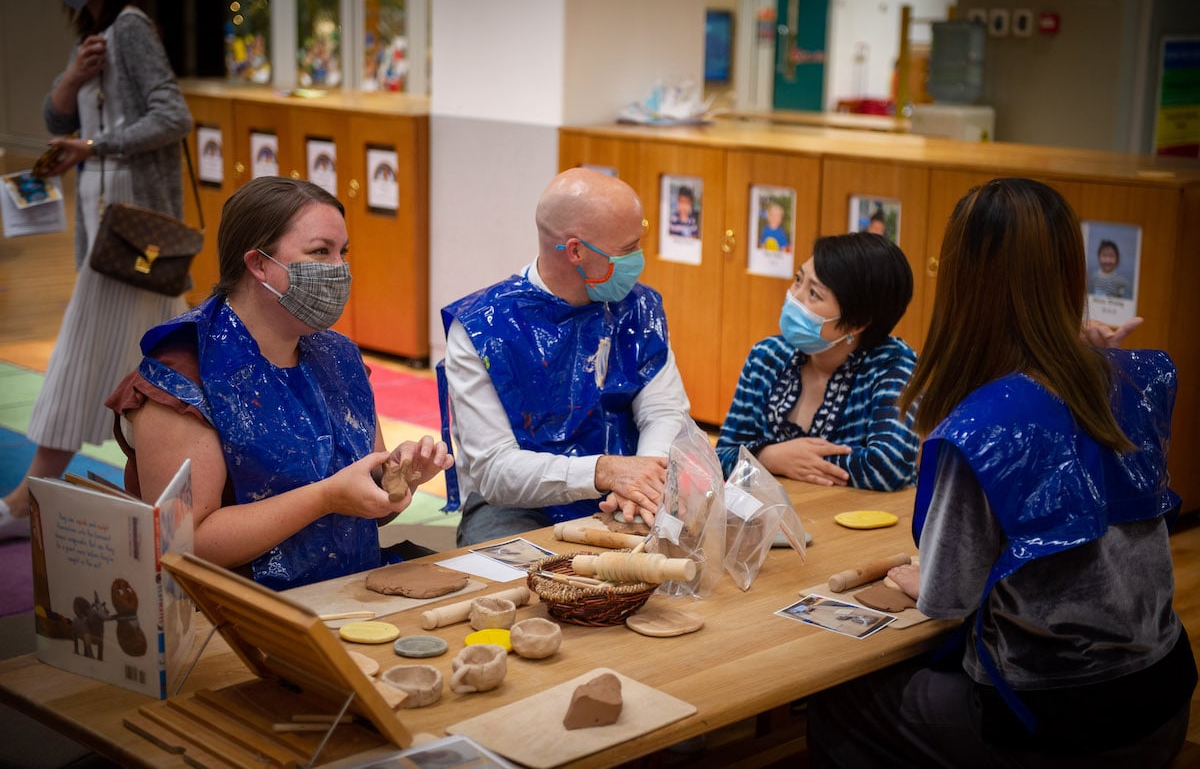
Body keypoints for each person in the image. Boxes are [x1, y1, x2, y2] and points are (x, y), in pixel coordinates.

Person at [807, 178, 1196, 767]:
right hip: (1165, 696)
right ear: (1071, 268)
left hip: (1059, 724)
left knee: (836, 702)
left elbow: (945, 598)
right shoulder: (1134, 380)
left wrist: (929, 577)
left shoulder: (983, 425)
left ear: (964, 280)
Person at [104, 177, 453, 590]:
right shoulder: (183, 374)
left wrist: (399, 478)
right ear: (259, 263)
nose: (339, 270)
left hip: (348, 588)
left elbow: (371, 504)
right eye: (320, 252)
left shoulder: (338, 356)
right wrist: (326, 498)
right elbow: (183, 544)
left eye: (343, 253)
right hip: (234, 609)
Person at [0, 0, 192, 541]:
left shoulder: (129, 26)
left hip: (131, 227)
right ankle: (177, 504)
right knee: (167, 360)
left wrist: (94, 145)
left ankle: (23, 503)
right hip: (114, 226)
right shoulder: (99, 33)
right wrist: (71, 80)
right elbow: (61, 120)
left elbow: (172, 114)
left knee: (88, 357)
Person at [440, 168, 691, 546]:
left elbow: (664, 410)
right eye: (627, 250)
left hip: (627, 484)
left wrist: (644, 478)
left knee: (683, 559)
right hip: (518, 505)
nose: (638, 259)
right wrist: (606, 472)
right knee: (523, 584)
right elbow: (495, 470)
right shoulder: (482, 329)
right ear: (575, 251)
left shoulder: (638, 307)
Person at [716, 231, 918, 491]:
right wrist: (772, 457)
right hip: (784, 518)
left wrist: (794, 460)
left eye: (814, 294)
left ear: (856, 323)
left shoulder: (893, 365)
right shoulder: (767, 356)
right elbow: (721, 456)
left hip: (858, 523)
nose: (794, 297)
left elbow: (889, 466)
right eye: (798, 280)